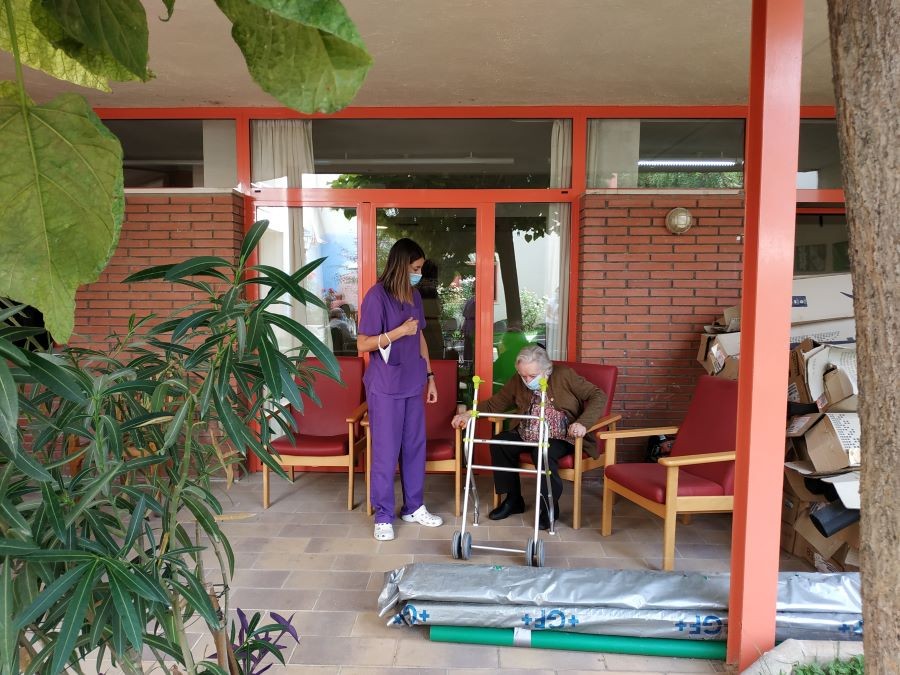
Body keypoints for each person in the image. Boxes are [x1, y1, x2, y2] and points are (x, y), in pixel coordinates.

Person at [451, 344, 607, 529]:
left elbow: (598, 395)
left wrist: (583, 423)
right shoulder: (518, 380)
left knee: (542, 452)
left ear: (546, 369)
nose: (527, 380)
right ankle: (513, 500)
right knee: (499, 443)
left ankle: (548, 507)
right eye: (523, 375)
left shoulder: (564, 375)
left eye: (532, 376)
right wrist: (469, 413)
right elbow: (495, 404)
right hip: (526, 432)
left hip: (561, 436)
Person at [357, 238, 443, 541]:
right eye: (415, 268)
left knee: (415, 447)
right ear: (400, 265)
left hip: (412, 381)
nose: (418, 274)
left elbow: (419, 337)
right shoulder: (376, 296)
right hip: (385, 386)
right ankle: (383, 516)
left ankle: (413, 507)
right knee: (385, 451)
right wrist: (398, 332)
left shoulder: (414, 295)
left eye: (420, 269)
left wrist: (430, 376)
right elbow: (363, 344)